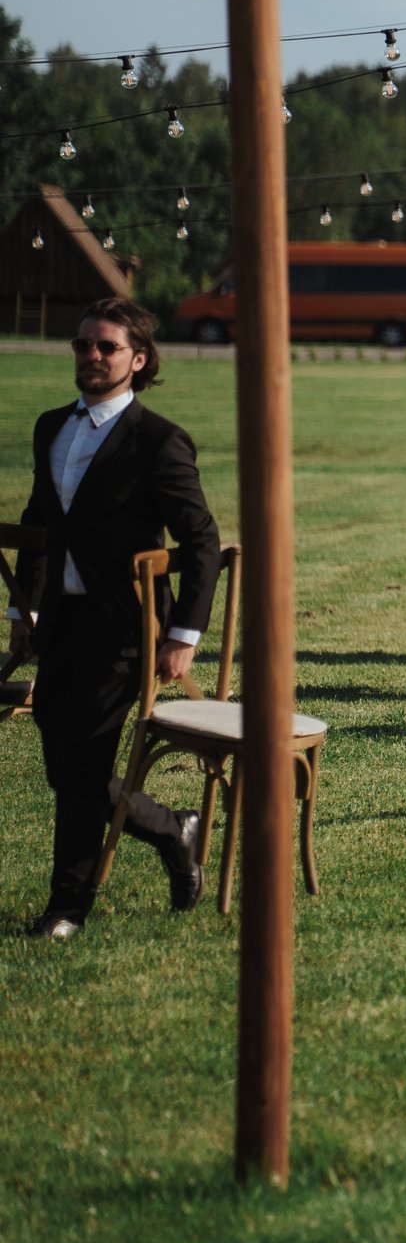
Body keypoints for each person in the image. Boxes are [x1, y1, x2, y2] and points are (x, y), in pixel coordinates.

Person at [10, 298, 216, 940]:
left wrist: (183, 635)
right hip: (63, 625)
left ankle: (67, 907)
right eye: (82, 346)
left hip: (128, 631)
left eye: (106, 347)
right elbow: (41, 522)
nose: (91, 356)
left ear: (139, 359)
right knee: (66, 768)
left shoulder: (158, 440)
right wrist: (26, 606)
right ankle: (171, 828)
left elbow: (202, 540)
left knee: (80, 765)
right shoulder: (51, 428)